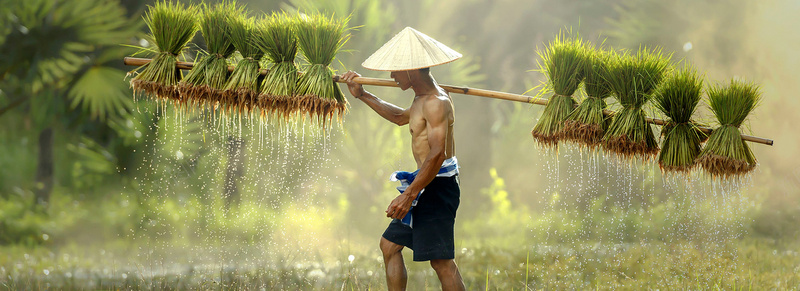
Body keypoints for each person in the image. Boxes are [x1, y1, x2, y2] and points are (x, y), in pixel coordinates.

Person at [341, 27, 466, 291]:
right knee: (389, 246)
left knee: (441, 263)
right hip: (424, 182)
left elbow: (437, 154)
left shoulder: (436, 102)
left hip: (437, 185)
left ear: (412, 70)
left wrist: (408, 195)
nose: (392, 76)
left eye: (396, 70)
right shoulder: (422, 98)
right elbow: (400, 118)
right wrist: (362, 94)